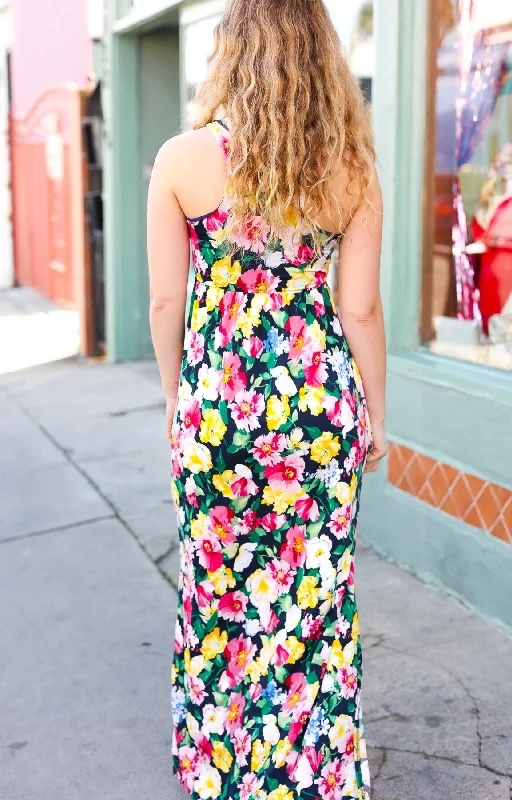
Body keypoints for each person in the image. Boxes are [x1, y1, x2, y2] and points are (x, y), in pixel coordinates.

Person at [147, 2, 386, 799]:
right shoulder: (352, 169)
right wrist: (375, 416)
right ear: (323, 61)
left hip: (216, 416)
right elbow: (359, 310)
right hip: (317, 418)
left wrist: (178, 405)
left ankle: (221, 770)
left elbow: (162, 306)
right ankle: (311, 774)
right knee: (310, 601)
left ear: (231, 54)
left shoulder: (180, 161)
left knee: (219, 595)